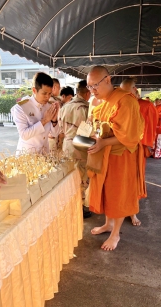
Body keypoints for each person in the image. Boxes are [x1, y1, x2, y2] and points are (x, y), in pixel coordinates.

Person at [86, 66, 145, 250]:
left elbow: (130, 135)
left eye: (95, 85)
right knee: (107, 191)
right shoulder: (102, 102)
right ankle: (108, 223)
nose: (93, 91)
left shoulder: (125, 101)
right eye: (89, 87)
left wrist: (103, 143)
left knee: (118, 193)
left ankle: (115, 234)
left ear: (108, 80)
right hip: (106, 156)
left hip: (122, 156)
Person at [120, 78, 158, 225]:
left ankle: (133, 212)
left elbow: (151, 125)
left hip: (136, 149)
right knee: (121, 181)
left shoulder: (146, 105)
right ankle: (120, 209)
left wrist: (146, 144)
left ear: (134, 90)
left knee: (135, 180)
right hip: (119, 150)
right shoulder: (117, 104)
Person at [58, 80, 91, 218]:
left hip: (67, 144)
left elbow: (60, 127)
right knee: (82, 177)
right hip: (80, 145)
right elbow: (87, 132)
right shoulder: (86, 109)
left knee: (69, 175)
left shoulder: (65, 106)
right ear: (87, 92)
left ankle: (69, 204)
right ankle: (81, 207)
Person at [11, 72, 60, 154]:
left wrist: (54, 121)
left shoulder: (49, 106)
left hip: (44, 155)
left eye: (49, 93)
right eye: (44, 93)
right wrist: (44, 120)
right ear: (34, 90)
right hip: (27, 156)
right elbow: (24, 135)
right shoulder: (21, 108)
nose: (47, 97)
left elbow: (55, 134)